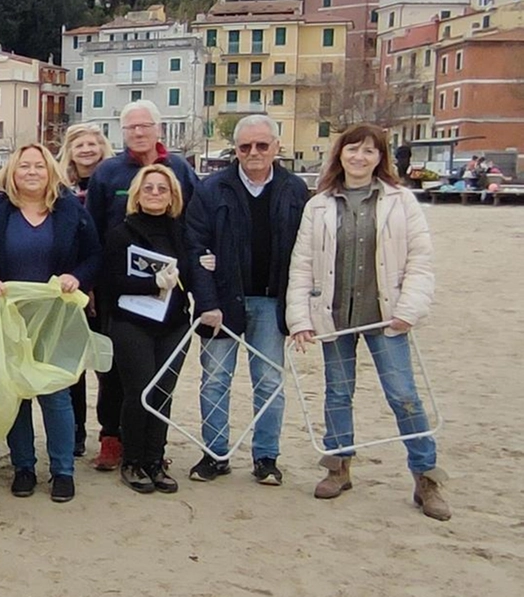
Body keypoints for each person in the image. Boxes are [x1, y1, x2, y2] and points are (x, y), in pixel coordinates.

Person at [286, 125, 449, 520]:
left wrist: (409, 310)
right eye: (353, 150)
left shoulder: (401, 201)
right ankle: (338, 466)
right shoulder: (319, 205)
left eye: (369, 152)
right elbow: (302, 264)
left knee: (403, 395)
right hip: (336, 315)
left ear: (381, 158)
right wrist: (299, 318)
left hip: (386, 316)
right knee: (338, 394)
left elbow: (419, 261)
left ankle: (426, 476)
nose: (359, 157)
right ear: (340, 154)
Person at [186, 115, 307, 487]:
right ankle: (216, 453)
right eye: (244, 147)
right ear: (235, 150)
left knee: (269, 382)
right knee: (215, 380)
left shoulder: (295, 190)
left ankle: (266, 457)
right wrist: (207, 302)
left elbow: (308, 252)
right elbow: (194, 247)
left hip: (272, 302)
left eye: (261, 145)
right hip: (222, 303)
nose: (253, 153)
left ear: (276, 147)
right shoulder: (211, 189)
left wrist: (303, 307)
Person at [0, 143, 100, 503]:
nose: (32, 172)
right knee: (17, 393)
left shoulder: (70, 211)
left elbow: (94, 255)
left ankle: (63, 471)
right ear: (12, 172)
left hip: (54, 316)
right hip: (10, 316)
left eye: (39, 166)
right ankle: (24, 467)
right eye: (24, 166)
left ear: (51, 172)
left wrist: (78, 278)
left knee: (55, 392)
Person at [85, 100, 201, 473]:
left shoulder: (180, 169)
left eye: (144, 126)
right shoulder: (108, 173)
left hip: (169, 305)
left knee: (156, 382)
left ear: (159, 128)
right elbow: (91, 230)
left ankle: (151, 452)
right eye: (131, 127)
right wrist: (90, 285)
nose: (138, 132)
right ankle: (112, 438)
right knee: (115, 372)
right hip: (117, 292)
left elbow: (196, 226)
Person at [96, 164, 196, 495]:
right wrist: (150, 282)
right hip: (132, 323)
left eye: (162, 189)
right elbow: (109, 283)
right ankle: (133, 460)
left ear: (172, 197)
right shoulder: (119, 233)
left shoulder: (182, 232)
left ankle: (155, 459)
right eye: (148, 188)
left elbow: (192, 278)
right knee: (139, 391)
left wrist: (205, 265)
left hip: (173, 325)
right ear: (137, 195)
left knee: (163, 393)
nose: (155, 193)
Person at [57, 122, 113, 457]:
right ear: (70, 151)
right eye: (80, 145)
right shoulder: (62, 189)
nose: (87, 150)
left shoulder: (115, 181)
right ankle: (75, 430)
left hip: (107, 284)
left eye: (93, 144)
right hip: (72, 284)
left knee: (106, 363)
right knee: (72, 364)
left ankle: (109, 431)